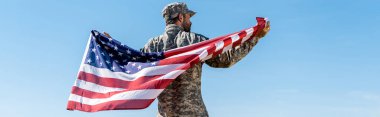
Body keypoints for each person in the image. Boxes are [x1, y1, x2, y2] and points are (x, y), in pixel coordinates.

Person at [104, 2, 270, 117]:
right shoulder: (195, 41)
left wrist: (112, 46)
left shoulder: (152, 46)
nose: (190, 20)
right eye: (188, 16)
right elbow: (226, 59)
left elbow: (132, 62)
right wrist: (255, 37)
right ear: (180, 18)